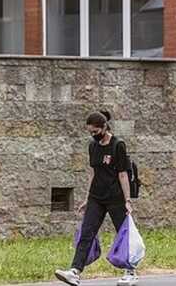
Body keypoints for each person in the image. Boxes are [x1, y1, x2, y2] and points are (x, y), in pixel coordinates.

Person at [55, 110, 138, 286]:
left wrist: (127, 200)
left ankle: (130, 272)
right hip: (96, 198)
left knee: (123, 234)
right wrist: (87, 198)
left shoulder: (118, 145)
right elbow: (93, 173)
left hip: (115, 198)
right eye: (90, 132)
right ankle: (74, 271)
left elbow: (123, 174)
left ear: (104, 127)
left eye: (95, 132)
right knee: (86, 232)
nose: (93, 135)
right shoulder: (92, 146)